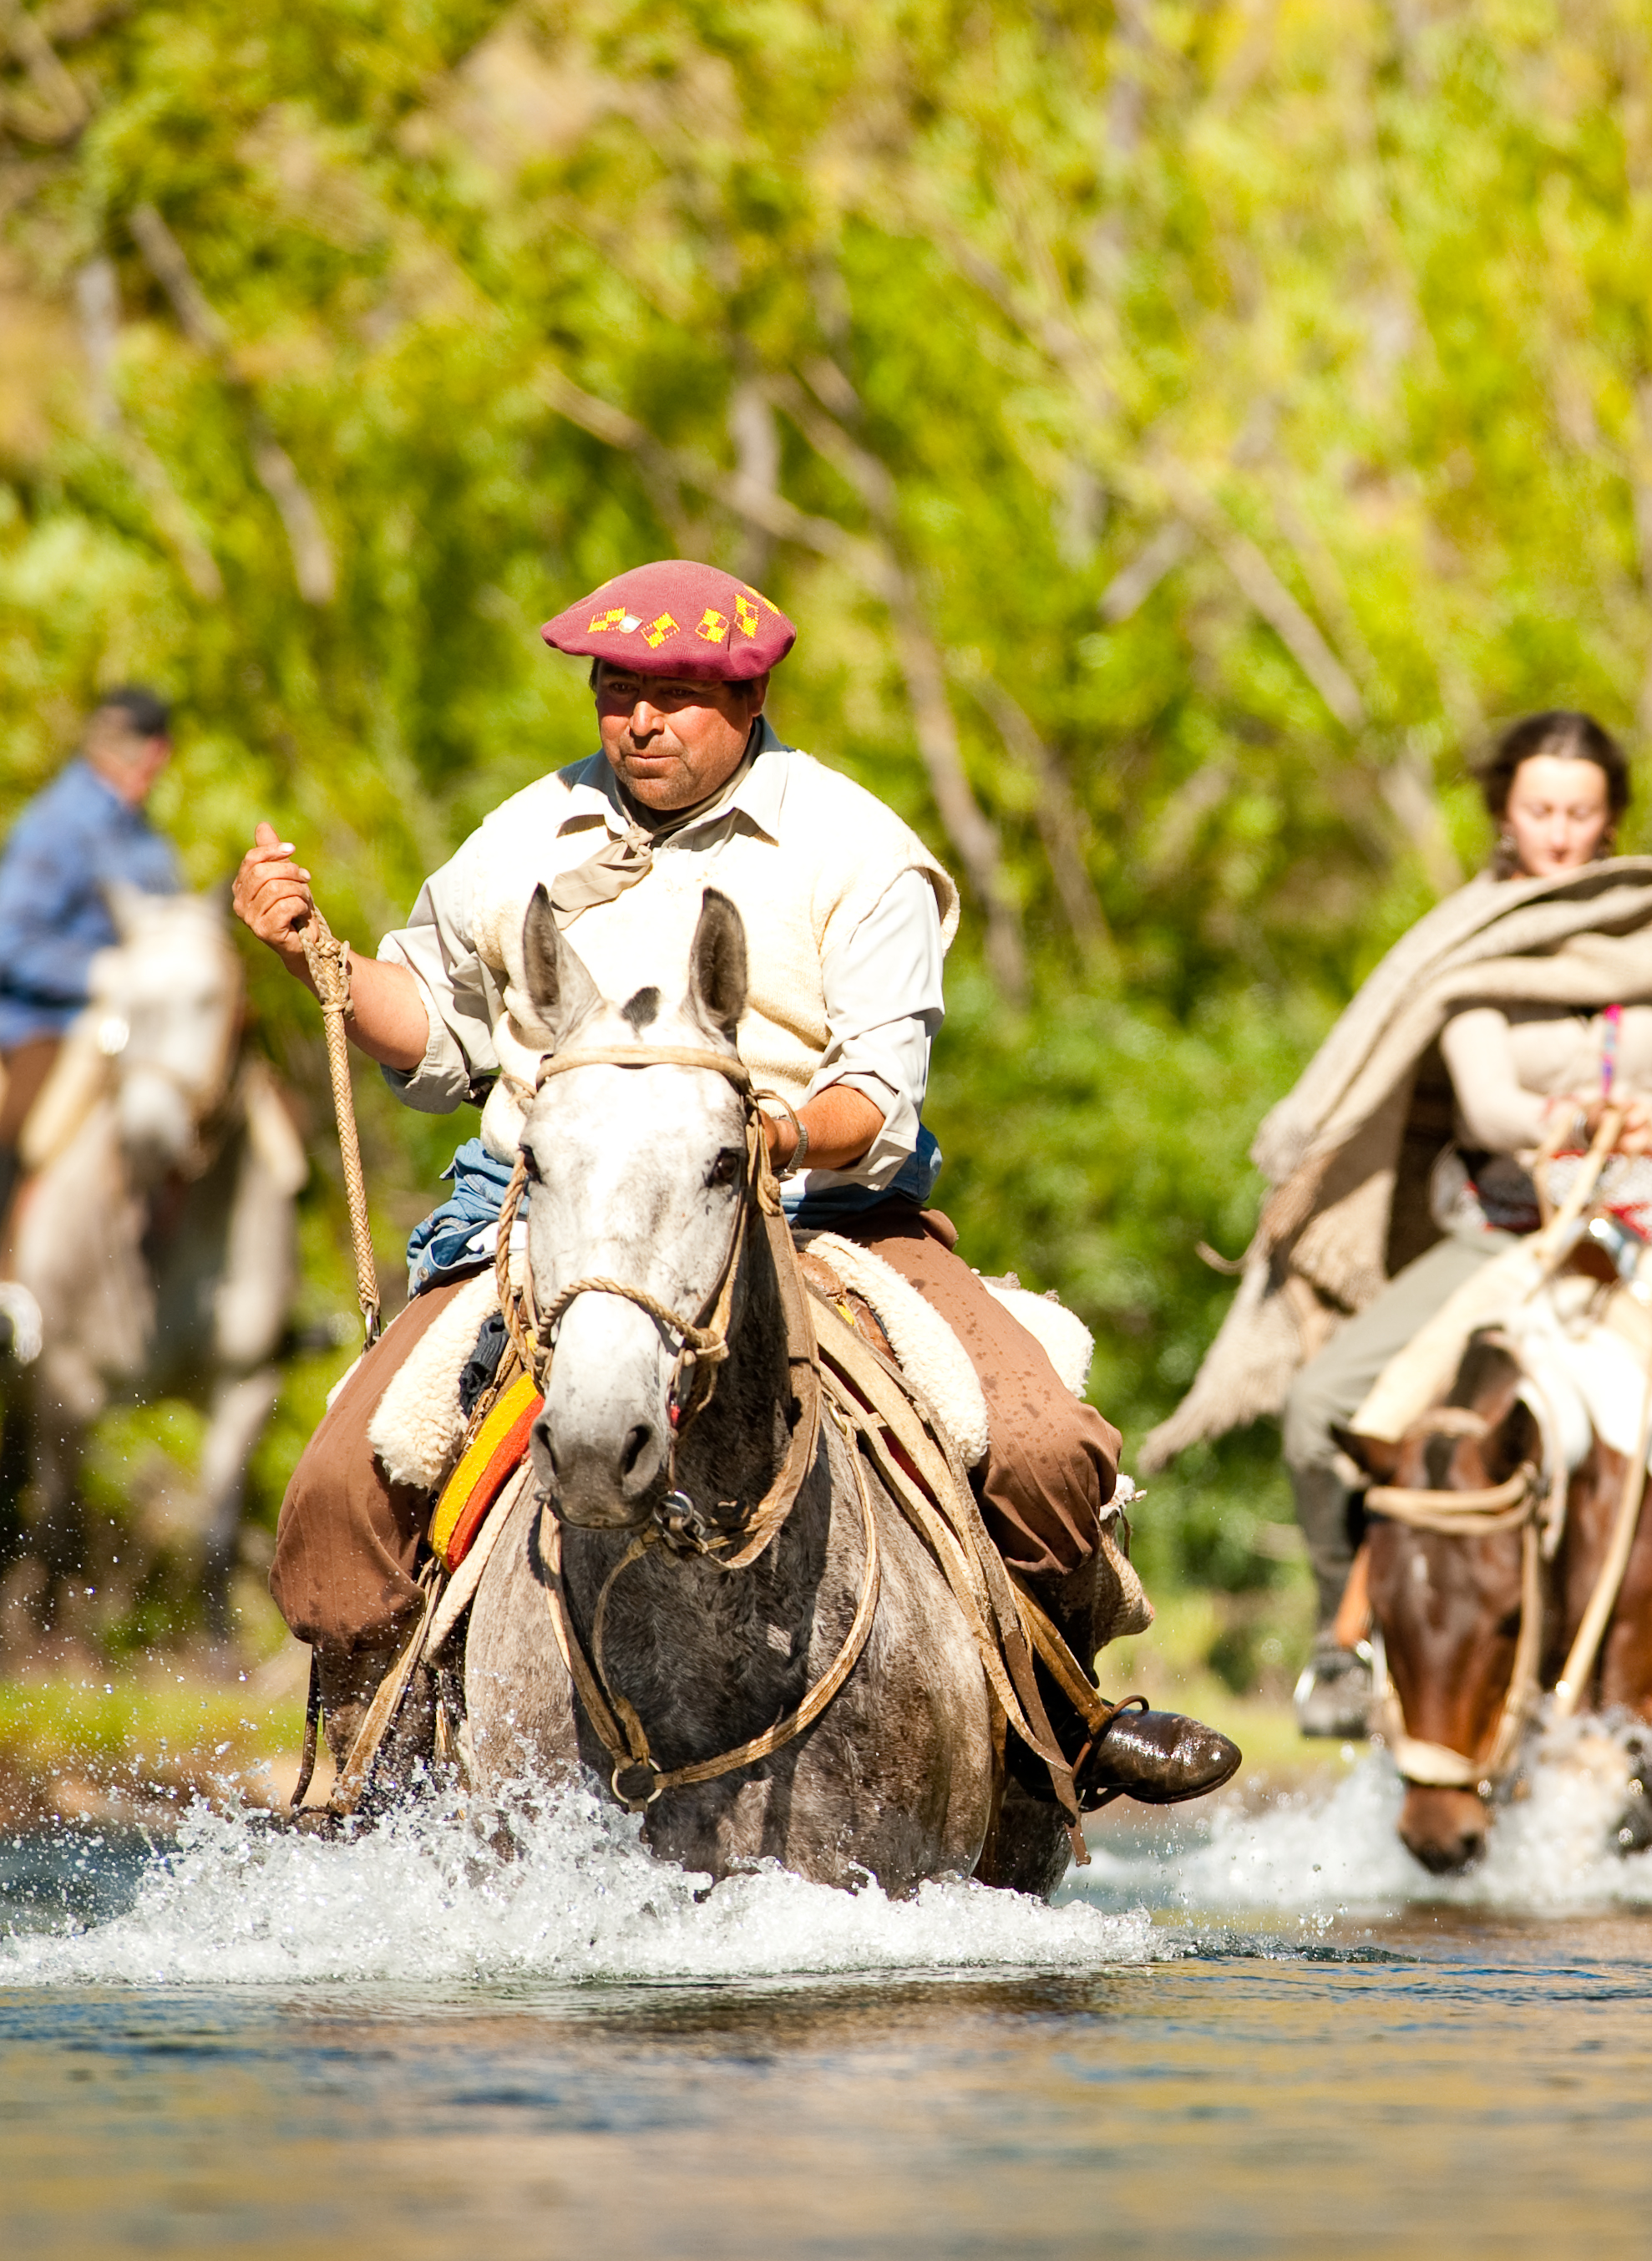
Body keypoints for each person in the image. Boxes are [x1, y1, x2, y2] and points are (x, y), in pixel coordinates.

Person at [231, 559, 1235, 1805]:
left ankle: (1059, 1722)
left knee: (1038, 1449)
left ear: (751, 700)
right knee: (340, 1489)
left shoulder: (858, 851)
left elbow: (877, 1096)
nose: (638, 720)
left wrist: (768, 1136)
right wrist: (316, 954)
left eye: (675, 695)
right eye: (616, 691)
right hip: (556, 1214)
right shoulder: (523, 832)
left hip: (814, 1209)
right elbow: (436, 1033)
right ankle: (368, 1774)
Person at [1145, 711, 1652, 1743]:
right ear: (1505, 810)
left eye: (1581, 812)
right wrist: (1574, 1120)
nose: (1560, 831)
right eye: (1540, 809)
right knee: (1325, 1398)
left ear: (1610, 819)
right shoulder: (1470, 939)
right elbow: (1486, 1098)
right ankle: (1342, 1643)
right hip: (1509, 1233)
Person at [0, 686, 182, 1356]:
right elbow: (11, 943)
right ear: (147, 754)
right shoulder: (55, 825)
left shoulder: (145, 837)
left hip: (137, 1024)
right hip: (49, 1020)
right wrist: (99, 973)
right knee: (26, 1117)